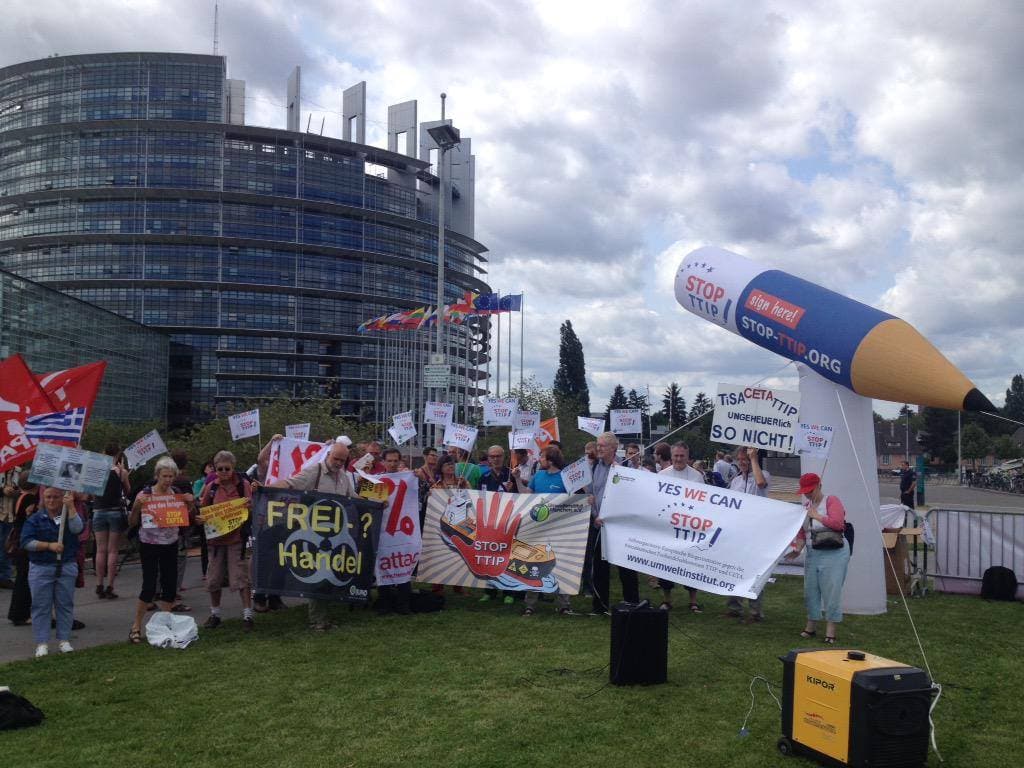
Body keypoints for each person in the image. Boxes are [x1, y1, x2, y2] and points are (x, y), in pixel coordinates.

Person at [271, 441, 357, 631]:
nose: (338, 463)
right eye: (336, 458)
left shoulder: (343, 477)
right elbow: (290, 484)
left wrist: (375, 504)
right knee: (317, 576)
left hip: (335, 534)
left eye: (342, 460)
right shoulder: (313, 472)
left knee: (328, 576)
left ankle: (324, 618)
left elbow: (354, 498)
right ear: (328, 455)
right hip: (312, 535)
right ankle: (317, 620)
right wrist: (265, 489)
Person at [128, 457, 193, 644]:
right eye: (165, 476)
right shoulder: (145, 494)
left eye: (171, 476)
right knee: (148, 586)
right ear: (157, 476)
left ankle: (164, 624)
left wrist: (189, 503)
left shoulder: (177, 493)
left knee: (170, 585)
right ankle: (136, 626)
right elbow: (132, 522)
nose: (168, 480)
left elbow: (185, 518)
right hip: (149, 543)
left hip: (171, 543)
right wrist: (137, 507)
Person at [786, 472, 850, 644]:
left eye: (810, 490)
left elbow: (838, 524)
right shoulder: (807, 506)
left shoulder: (831, 500)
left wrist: (818, 516)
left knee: (831, 590)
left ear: (818, 486)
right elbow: (802, 531)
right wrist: (798, 549)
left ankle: (831, 629)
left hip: (834, 553)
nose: (807, 494)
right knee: (811, 591)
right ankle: (811, 624)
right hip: (813, 552)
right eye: (805, 491)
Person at [196, 451, 254, 631]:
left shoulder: (243, 486)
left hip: (237, 539)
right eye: (219, 469)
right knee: (214, 579)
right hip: (215, 541)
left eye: (227, 468)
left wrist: (249, 508)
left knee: (242, 578)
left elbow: (252, 507)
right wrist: (201, 519)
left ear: (233, 468)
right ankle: (215, 614)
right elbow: (203, 510)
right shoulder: (211, 487)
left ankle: (247, 616)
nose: (223, 472)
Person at [21, 487, 83, 656]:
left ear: (62, 498)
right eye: (48, 497)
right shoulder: (35, 519)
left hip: (66, 565)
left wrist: (71, 508)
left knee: (65, 605)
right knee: (41, 606)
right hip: (41, 567)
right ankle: (42, 643)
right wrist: (48, 546)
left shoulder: (68, 515)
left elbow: (78, 529)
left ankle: (64, 640)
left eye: (55, 497)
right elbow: (26, 542)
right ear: (43, 498)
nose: (51, 500)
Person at [589, 432, 639, 614]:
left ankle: (632, 602)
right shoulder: (595, 466)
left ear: (613, 448)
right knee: (600, 567)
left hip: (619, 525)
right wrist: (593, 510)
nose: (599, 448)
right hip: (599, 523)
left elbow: (631, 496)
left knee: (625, 566)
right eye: (598, 445)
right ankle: (600, 605)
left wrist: (623, 474)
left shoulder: (624, 466)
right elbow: (593, 492)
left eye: (602, 445)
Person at [523, 445, 575, 616]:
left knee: (561, 564)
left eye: (542, 457)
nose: (539, 459)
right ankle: (530, 604)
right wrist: (516, 480)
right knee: (534, 563)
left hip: (560, 530)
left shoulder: (566, 478)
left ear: (550, 460)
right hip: (538, 528)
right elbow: (525, 497)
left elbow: (577, 499)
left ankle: (564, 604)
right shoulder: (537, 476)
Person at [656, 442, 704, 613]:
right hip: (668, 528)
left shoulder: (697, 476)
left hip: (689, 529)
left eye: (681, 456)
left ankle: (693, 601)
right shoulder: (662, 475)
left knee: (691, 565)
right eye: (675, 455)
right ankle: (666, 600)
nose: (678, 459)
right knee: (665, 565)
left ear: (687, 456)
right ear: (671, 455)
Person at [725, 447, 771, 622]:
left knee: (754, 572)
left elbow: (760, 484)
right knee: (733, 570)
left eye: (745, 459)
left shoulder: (763, 474)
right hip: (738, 533)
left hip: (756, 533)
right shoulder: (736, 481)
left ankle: (755, 612)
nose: (742, 462)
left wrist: (753, 459)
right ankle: (734, 607)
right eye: (740, 459)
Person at [91, 444, 131, 600]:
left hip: (99, 511)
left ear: (103, 453)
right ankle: (110, 586)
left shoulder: (96, 471)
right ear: (118, 455)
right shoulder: (121, 472)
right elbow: (127, 491)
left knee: (100, 550)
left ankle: (99, 584)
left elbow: (92, 493)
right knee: (113, 550)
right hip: (115, 511)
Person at [7, 472, 37, 626]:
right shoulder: (30, 499)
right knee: (25, 579)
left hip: (18, 538)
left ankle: (17, 613)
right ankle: (21, 614)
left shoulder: (18, 496)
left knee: (22, 577)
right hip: (25, 540)